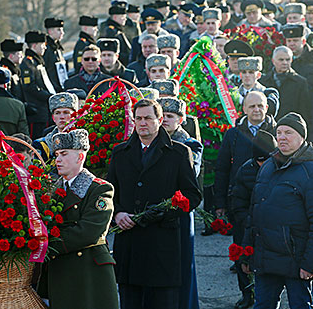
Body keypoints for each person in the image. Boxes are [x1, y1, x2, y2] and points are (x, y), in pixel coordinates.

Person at [107, 99, 202, 309]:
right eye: (138, 118)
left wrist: (161, 212)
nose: (143, 123)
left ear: (159, 120)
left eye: (148, 118)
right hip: (129, 244)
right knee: (130, 302)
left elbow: (192, 195)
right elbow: (110, 192)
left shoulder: (178, 153)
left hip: (162, 245)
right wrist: (118, 213)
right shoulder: (120, 153)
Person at [243, 112, 313, 309]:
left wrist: (311, 264)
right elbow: (255, 213)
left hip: (297, 262)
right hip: (265, 260)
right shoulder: (268, 166)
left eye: (289, 132)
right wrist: (247, 254)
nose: (282, 137)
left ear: (302, 137)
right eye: (279, 132)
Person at [39, 129, 119, 309]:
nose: (57, 159)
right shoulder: (52, 188)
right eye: (57, 154)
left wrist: (45, 244)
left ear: (80, 157)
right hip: (59, 270)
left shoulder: (99, 189)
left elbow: (89, 232)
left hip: (88, 272)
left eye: (64, 154)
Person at [214, 91, 276, 306]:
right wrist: (220, 204)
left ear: (267, 107)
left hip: (272, 201)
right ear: (244, 110)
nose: (256, 110)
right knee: (242, 249)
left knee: (270, 250)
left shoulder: (279, 132)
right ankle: (247, 293)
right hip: (241, 202)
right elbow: (221, 170)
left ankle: (267, 294)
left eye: (260, 106)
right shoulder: (233, 135)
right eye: (252, 107)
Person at [230, 130, 278, 309]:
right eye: (259, 161)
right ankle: (247, 294)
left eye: (265, 160)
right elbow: (237, 202)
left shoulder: (281, 168)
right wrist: (249, 222)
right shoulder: (245, 170)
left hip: (274, 226)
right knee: (244, 261)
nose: (262, 164)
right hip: (248, 225)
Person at [260, 46, 311, 123]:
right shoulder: (263, 81)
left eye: (288, 59)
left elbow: (305, 111)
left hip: (291, 126)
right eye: (281, 60)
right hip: (268, 125)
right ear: (273, 61)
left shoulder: (300, 82)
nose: (285, 62)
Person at [20, 31, 55, 139]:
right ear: (34, 45)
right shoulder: (27, 63)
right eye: (42, 45)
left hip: (43, 110)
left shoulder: (37, 62)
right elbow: (29, 87)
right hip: (35, 111)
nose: (44, 48)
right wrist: (49, 96)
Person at [32, 92, 79, 162]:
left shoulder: (83, 139)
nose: (62, 117)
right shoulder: (42, 144)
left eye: (66, 112)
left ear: (75, 116)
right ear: (53, 118)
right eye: (57, 113)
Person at [283, 23, 313, 91]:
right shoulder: (281, 59)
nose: (292, 44)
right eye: (289, 41)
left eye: (295, 40)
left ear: (303, 41)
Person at [44, 18, 67, 92]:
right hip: (52, 88)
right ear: (50, 31)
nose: (62, 33)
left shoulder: (57, 48)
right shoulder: (46, 49)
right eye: (59, 30)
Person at [0, 39, 25, 103]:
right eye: (19, 54)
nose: (21, 56)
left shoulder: (14, 70)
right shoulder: (5, 72)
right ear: (11, 56)